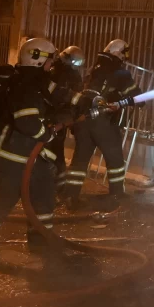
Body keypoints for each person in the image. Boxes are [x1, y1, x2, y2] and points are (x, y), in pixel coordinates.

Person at [0, 37, 60, 264]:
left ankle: (41, 242)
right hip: (16, 157)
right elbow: (27, 123)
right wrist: (47, 134)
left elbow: (59, 94)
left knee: (43, 200)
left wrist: (83, 102)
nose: (52, 65)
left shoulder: (33, 79)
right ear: (39, 60)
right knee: (3, 201)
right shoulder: (27, 86)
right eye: (50, 60)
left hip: (28, 157)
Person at [59, 39, 141, 209]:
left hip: (82, 120)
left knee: (80, 160)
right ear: (119, 54)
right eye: (125, 54)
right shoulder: (121, 73)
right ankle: (117, 194)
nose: (126, 58)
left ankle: (71, 196)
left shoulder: (93, 69)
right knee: (115, 159)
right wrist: (123, 102)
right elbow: (138, 98)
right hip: (102, 121)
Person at [45, 45, 86, 177]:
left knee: (54, 148)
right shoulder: (54, 72)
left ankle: (55, 180)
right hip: (55, 117)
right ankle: (55, 181)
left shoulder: (53, 70)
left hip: (57, 118)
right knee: (54, 149)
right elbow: (59, 94)